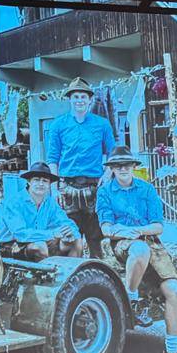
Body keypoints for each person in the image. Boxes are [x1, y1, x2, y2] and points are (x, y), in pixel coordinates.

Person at [97, 149, 177, 353]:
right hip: (122, 244)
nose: (124, 169)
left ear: (133, 166)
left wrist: (139, 231)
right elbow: (106, 229)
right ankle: (132, 299)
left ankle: (172, 351)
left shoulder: (146, 189)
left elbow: (158, 226)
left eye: (127, 165)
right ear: (112, 169)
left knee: (175, 292)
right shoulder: (105, 191)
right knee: (139, 250)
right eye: (118, 166)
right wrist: (127, 233)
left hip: (150, 241)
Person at [44, 77, 117, 257]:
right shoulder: (58, 125)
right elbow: (52, 158)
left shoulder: (102, 124)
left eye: (83, 97)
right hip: (67, 188)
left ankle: (97, 277)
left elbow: (113, 154)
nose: (79, 100)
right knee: (70, 238)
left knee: (95, 238)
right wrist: (54, 188)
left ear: (90, 99)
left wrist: (107, 175)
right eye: (75, 96)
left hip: (94, 187)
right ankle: (73, 278)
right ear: (69, 99)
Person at [0, 162, 80, 260]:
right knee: (40, 246)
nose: (41, 184)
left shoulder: (50, 202)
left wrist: (70, 233)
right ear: (29, 182)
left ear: (49, 184)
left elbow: (65, 222)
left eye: (45, 181)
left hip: (41, 241)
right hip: (11, 245)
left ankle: (69, 274)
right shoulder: (14, 202)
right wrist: (53, 234)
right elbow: (20, 234)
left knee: (76, 242)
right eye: (36, 180)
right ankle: (46, 275)